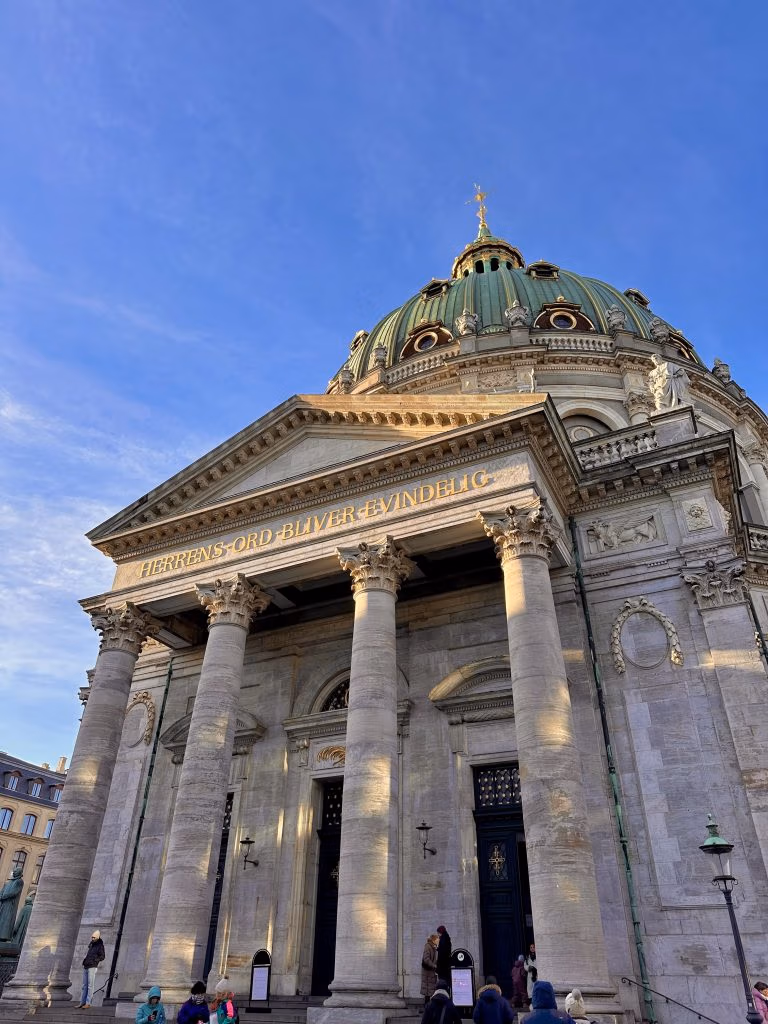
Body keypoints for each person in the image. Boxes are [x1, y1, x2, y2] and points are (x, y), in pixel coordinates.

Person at [78, 930, 106, 1009]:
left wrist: (94, 960)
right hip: (86, 966)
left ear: (97, 937)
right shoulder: (91, 945)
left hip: (93, 966)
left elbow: (102, 956)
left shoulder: (100, 946)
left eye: (94, 937)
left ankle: (88, 1003)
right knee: (84, 985)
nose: (92, 938)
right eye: (92, 937)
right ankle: (82, 1002)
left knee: (90, 985)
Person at [421, 932, 439, 1003]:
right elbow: (426, 959)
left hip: (431, 972)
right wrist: (434, 965)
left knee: (430, 991)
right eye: (437, 939)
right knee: (428, 992)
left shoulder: (434, 947)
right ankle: (427, 1008)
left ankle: (428, 1008)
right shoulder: (428, 946)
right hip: (428, 972)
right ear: (434, 940)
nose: (438, 941)